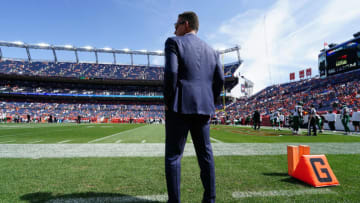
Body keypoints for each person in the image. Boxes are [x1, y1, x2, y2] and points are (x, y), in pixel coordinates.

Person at [163, 11, 224, 203]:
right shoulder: (213, 51)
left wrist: (168, 101)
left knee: (173, 157)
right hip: (203, 107)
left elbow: (171, 73)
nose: (175, 28)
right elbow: (220, 80)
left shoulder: (173, 42)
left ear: (186, 24)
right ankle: (210, 200)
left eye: (177, 24)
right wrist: (210, 101)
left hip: (179, 106)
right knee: (206, 156)